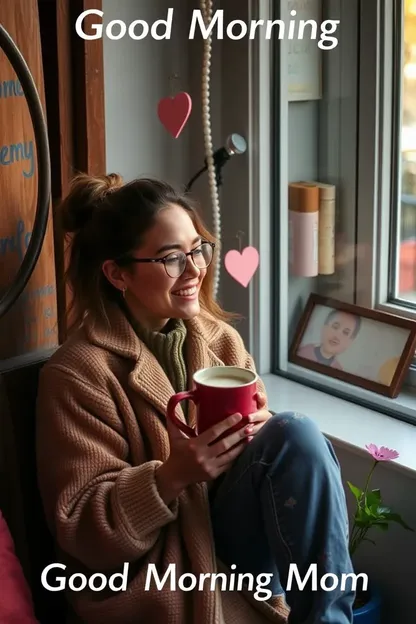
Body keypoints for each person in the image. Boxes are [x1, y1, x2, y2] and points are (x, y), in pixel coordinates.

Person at [36, 174, 355, 624]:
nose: (194, 270)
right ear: (117, 273)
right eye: (171, 259)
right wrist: (169, 478)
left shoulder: (220, 341)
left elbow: (265, 456)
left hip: (224, 539)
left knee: (294, 432)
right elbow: (81, 532)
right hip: (154, 570)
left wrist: (262, 434)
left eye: (197, 250)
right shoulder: (78, 374)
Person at [297, 309, 361, 370]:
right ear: (324, 327)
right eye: (335, 327)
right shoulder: (302, 351)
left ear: (350, 341)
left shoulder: (338, 369)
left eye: (345, 332)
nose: (337, 336)